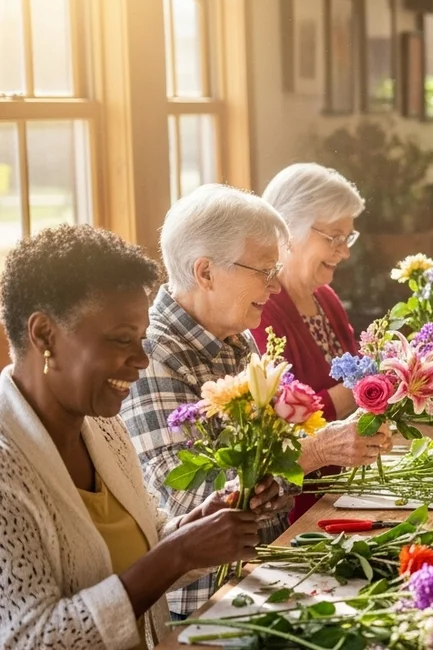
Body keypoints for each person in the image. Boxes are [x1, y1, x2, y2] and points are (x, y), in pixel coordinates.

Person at [0, 225, 288, 648]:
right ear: (44, 334)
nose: (140, 360)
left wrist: (193, 528)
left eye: (142, 339)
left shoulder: (100, 424)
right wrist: (178, 554)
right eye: (121, 340)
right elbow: (33, 639)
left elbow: (140, 543)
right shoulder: (8, 466)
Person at [122, 184, 388, 619]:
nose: (275, 287)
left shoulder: (236, 336)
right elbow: (192, 502)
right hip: (213, 602)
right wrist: (314, 452)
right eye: (265, 271)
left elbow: (272, 479)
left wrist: (288, 467)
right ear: (205, 272)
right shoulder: (154, 356)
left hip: (272, 568)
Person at [258, 163, 394, 521]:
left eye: (347, 237)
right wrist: (360, 392)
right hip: (298, 507)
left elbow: (360, 382)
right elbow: (277, 422)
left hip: (342, 489)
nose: (344, 251)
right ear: (288, 230)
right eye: (334, 236)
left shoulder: (326, 298)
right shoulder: (262, 310)